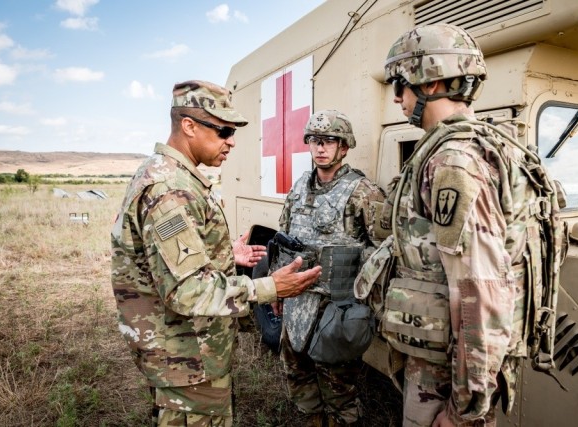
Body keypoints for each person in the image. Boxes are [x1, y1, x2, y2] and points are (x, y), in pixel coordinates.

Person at [110, 80, 322, 427]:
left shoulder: (176, 177)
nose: (232, 141)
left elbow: (169, 263)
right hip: (186, 360)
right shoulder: (169, 189)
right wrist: (270, 287)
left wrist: (223, 257)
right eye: (223, 130)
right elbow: (187, 290)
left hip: (190, 355)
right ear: (189, 126)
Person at [380, 24, 546, 426]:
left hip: (448, 376)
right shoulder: (489, 144)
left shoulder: (454, 161)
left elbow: (482, 289)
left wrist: (462, 410)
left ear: (431, 83)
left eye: (400, 84)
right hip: (455, 365)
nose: (397, 98)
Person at [271, 110, 385, 426]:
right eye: (315, 141)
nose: (321, 148)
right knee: (299, 381)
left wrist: (371, 305)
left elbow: (384, 250)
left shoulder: (362, 191)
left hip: (335, 309)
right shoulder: (299, 188)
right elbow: (284, 240)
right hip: (297, 302)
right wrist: (276, 288)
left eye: (330, 141)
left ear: (344, 147)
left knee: (339, 392)